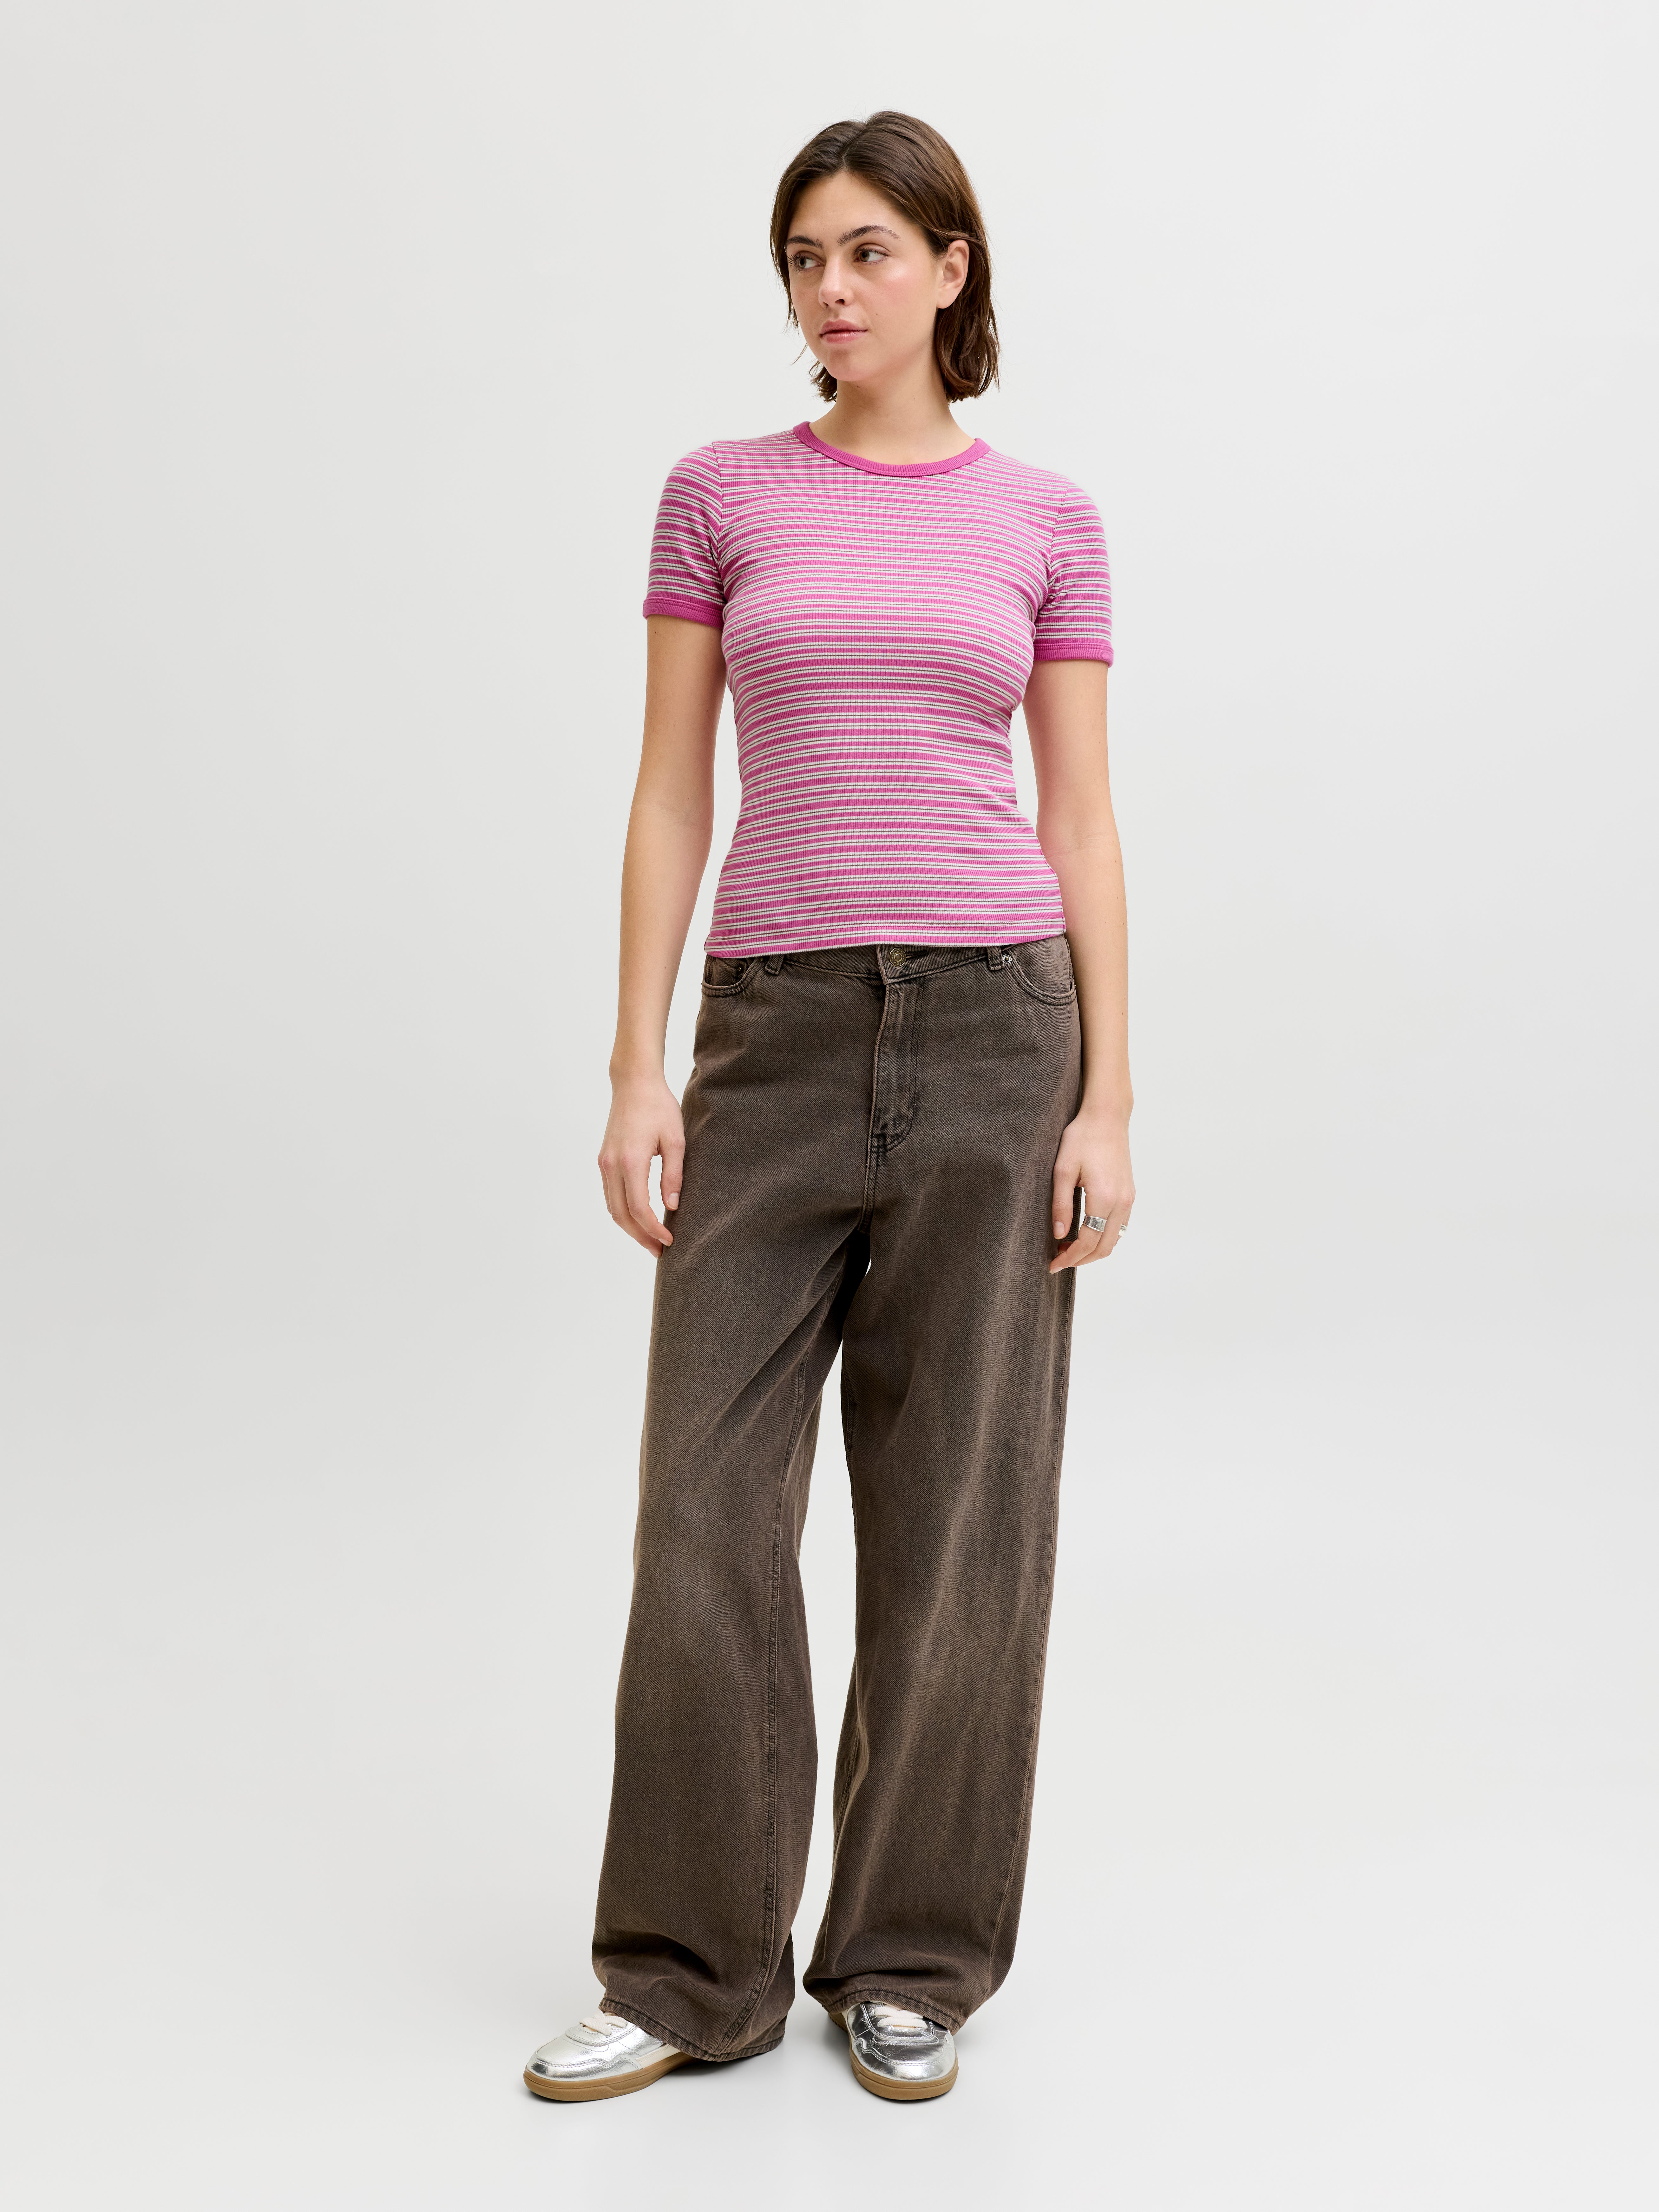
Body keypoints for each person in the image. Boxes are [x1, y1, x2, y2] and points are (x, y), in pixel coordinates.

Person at [525, 109, 1133, 2106]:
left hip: (1000, 1033)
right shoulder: (719, 497)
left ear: (952, 269)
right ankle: (689, 1970)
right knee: (706, 1509)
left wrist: (1110, 1099)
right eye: (804, 256)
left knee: (962, 1518)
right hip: (772, 1036)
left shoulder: (1047, 520)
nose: (831, 288)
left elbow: (1082, 819)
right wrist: (639, 1061)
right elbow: (670, 790)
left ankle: (911, 1959)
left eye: (869, 249)